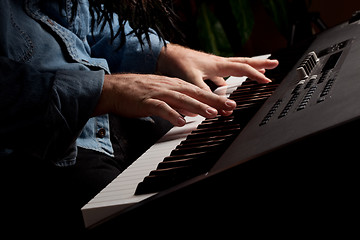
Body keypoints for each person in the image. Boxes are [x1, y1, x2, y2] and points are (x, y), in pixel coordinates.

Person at [0, 0, 278, 235]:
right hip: (35, 147)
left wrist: (165, 53)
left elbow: (83, 24)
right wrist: (107, 89)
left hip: (101, 118)